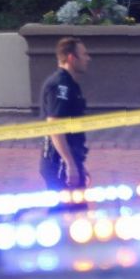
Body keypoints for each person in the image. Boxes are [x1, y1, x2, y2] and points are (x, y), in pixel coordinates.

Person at [39, 37, 91, 193]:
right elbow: (56, 126)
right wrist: (70, 164)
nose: (88, 59)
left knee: (72, 213)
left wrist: (77, 163)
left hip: (67, 159)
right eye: (84, 54)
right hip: (58, 163)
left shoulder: (69, 83)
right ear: (71, 58)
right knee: (67, 214)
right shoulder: (61, 86)